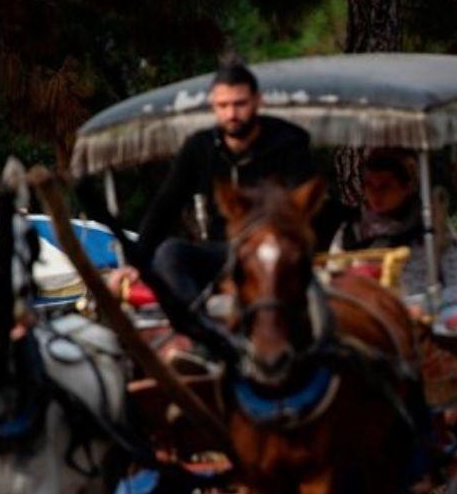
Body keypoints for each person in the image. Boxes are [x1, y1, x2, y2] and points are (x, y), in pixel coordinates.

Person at [112, 59, 333, 311]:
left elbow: (305, 205)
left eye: (240, 104)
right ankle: (198, 329)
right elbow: (166, 203)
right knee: (171, 252)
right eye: (223, 105)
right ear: (213, 106)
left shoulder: (288, 141)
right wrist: (135, 260)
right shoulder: (200, 146)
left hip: (271, 249)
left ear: (257, 101)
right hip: (222, 251)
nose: (232, 114)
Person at [333, 150, 457, 343]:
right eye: (369, 185)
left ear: (407, 187)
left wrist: (421, 306)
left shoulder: (435, 229)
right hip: (367, 317)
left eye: (385, 186)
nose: (375, 194)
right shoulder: (349, 233)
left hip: (424, 315)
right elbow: (332, 279)